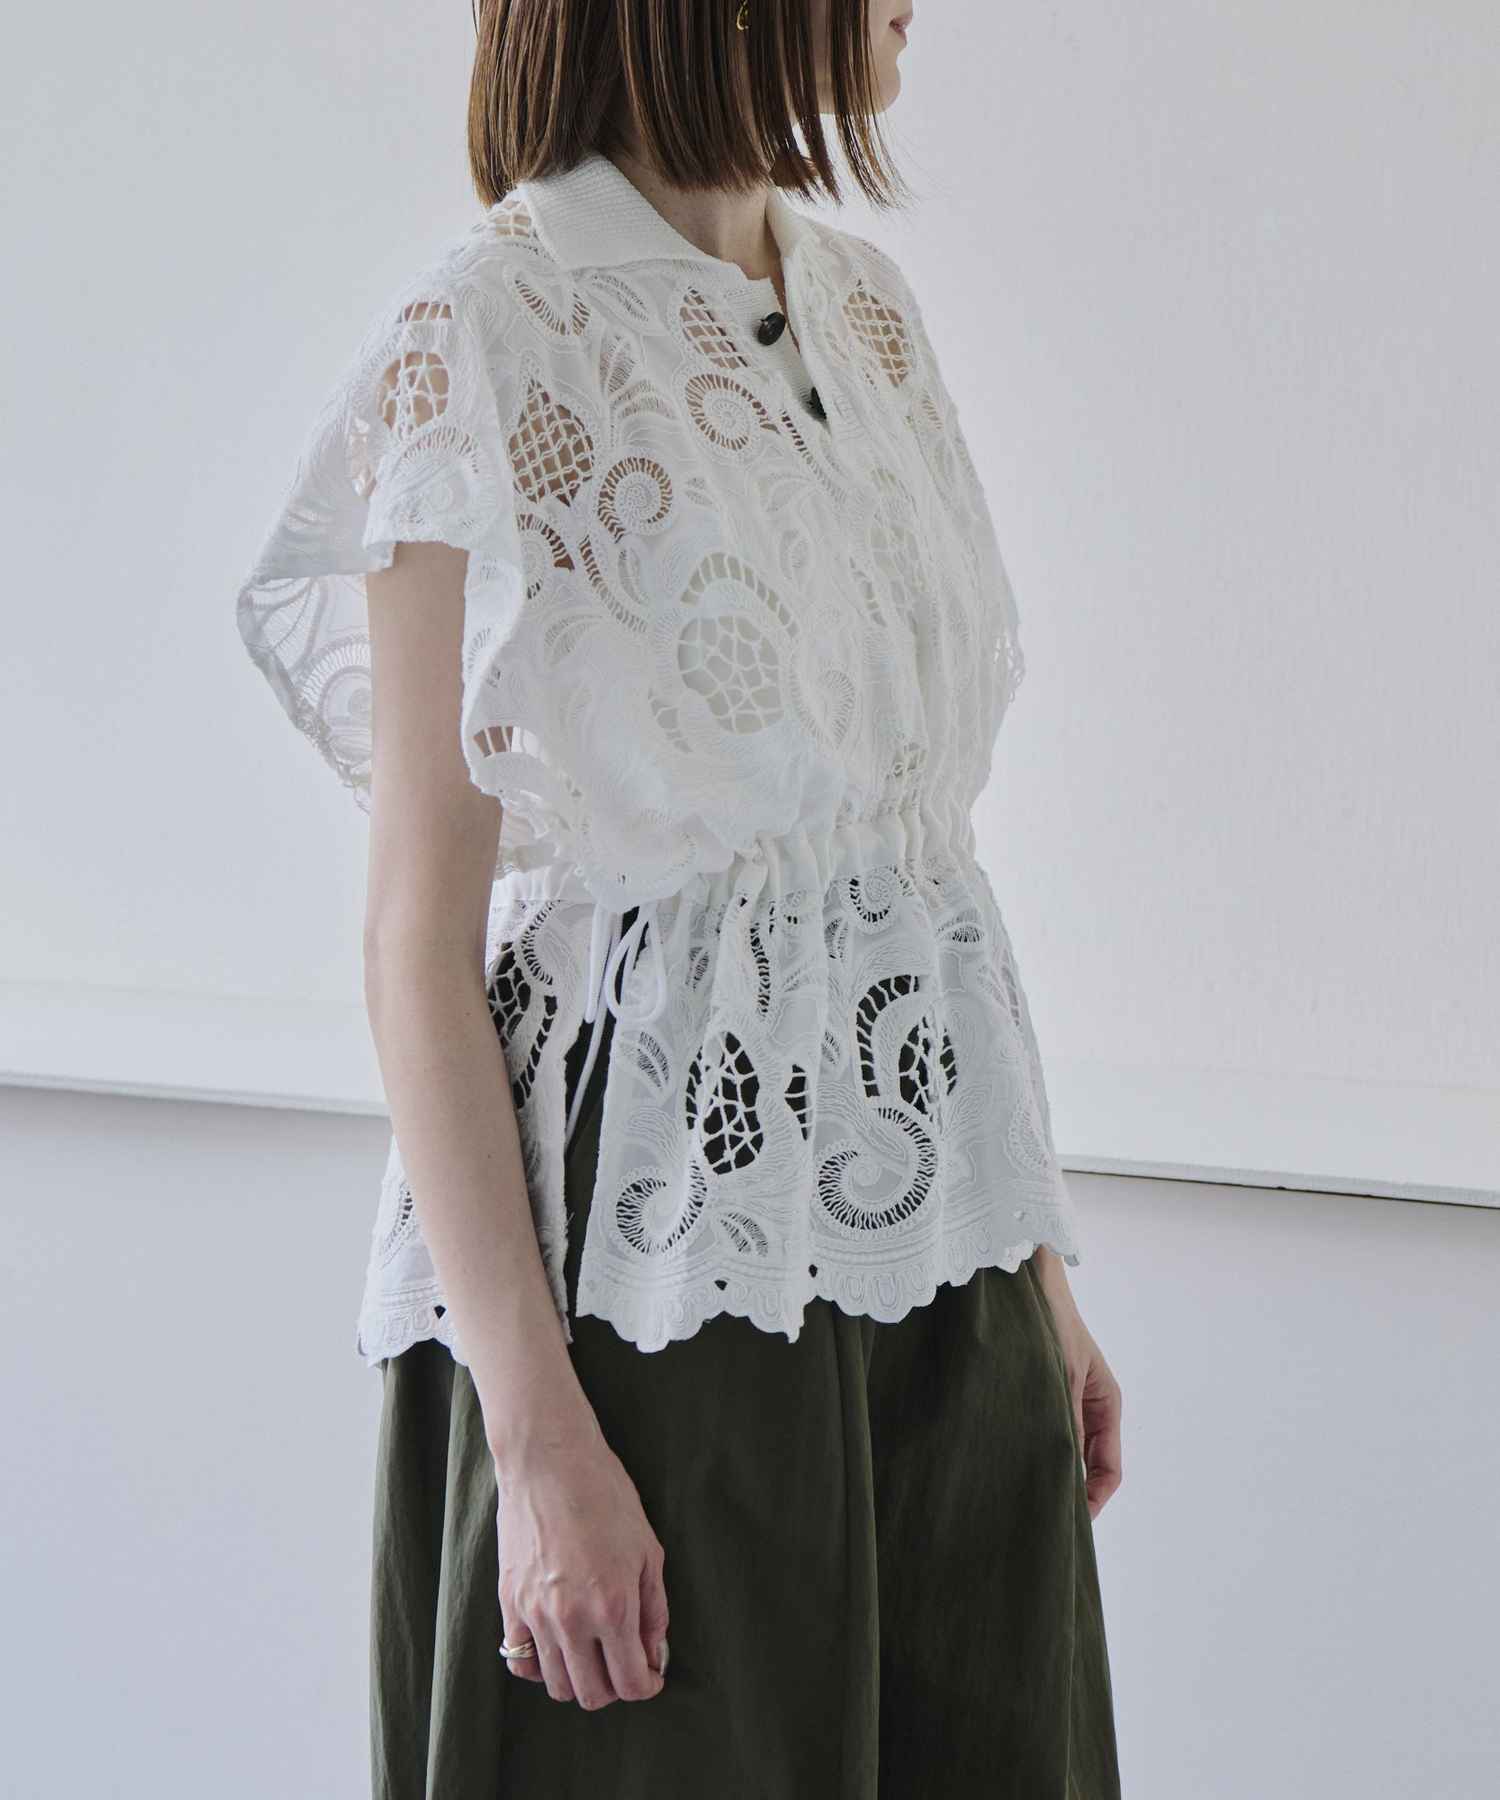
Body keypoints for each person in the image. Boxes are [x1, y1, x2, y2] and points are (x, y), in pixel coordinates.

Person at [234, 2, 1124, 1793]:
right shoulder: (488, 335)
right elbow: (419, 942)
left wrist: (1033, 1266)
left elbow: (916, 871)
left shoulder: (866, 311)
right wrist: (537, 1440)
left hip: (937, 1275)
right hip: (650, 1305)